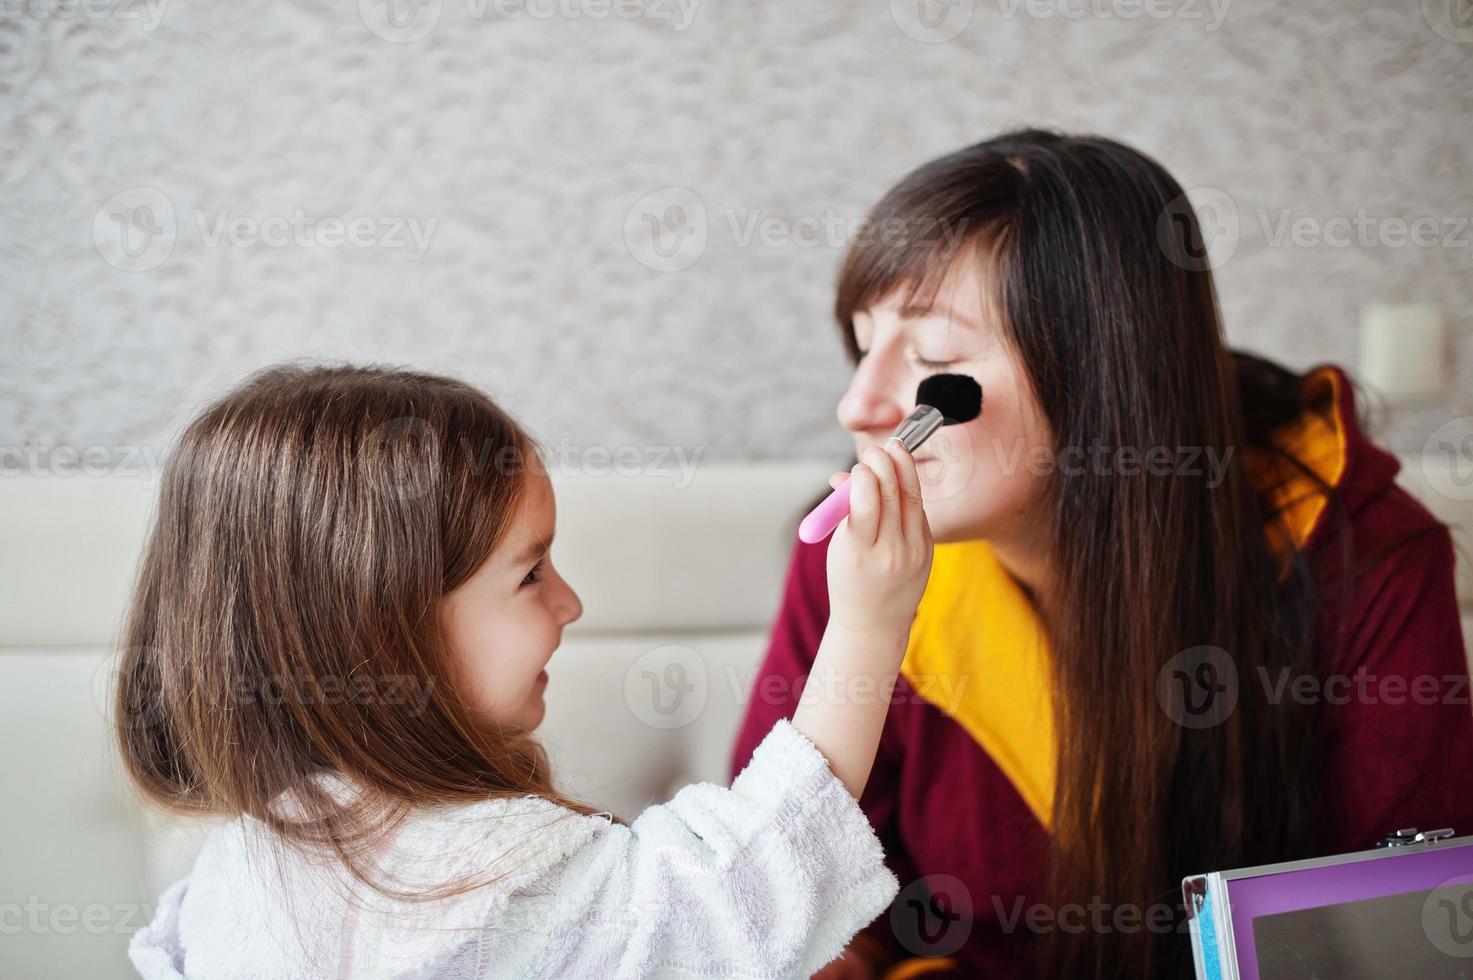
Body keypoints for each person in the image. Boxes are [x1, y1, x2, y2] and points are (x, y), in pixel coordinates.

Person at [732, 129, 1473, 979]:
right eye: (862, 348)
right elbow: (810, 914)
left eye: (933, 358)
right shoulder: (864, 567)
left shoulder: (1363, 561)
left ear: (1102, 375)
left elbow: (1399, 928)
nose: (858, 404)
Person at [121, 362, 932, 978]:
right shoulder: (471, 887)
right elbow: (739, 898)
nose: (570, 602)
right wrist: (867, 622)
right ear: (386, 626)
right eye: (530, 573)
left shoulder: (244, 869)